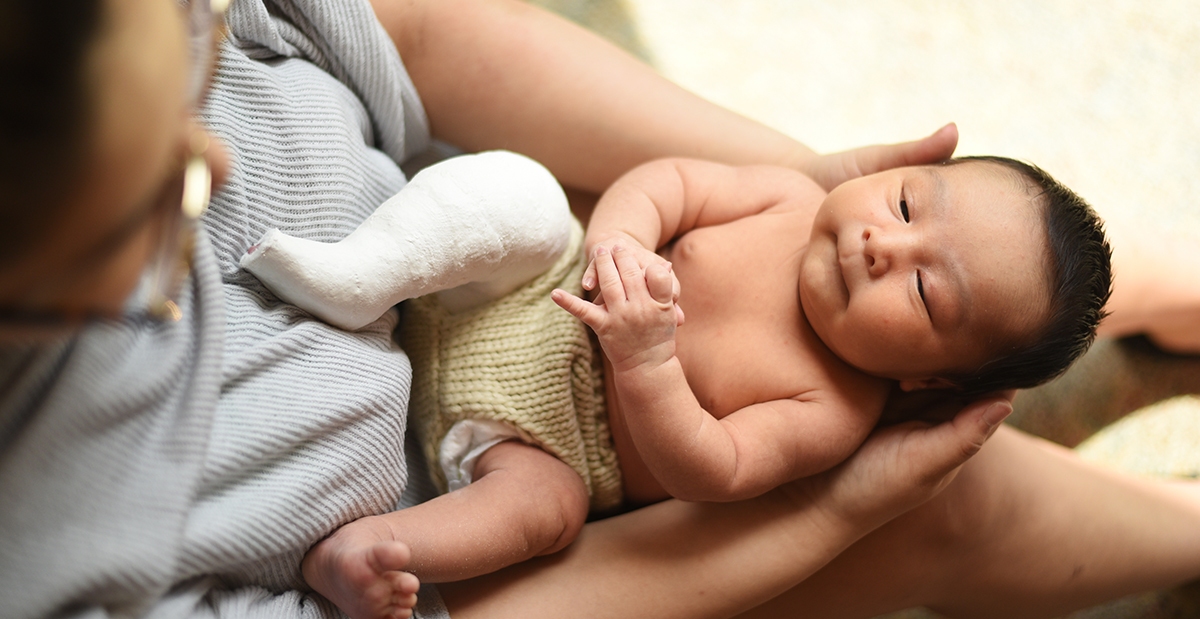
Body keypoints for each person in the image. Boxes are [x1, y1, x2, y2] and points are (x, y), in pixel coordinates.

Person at [0, 2, 1197, 619]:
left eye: (196, 65)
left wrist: (834, 195)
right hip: (495, 478)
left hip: (495, 242)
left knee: (915, 280)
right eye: (169, 199)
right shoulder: (65, 565)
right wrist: (835, 506)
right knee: (941, 485)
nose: (214, 146)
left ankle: (1052, 301)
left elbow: (415, 34)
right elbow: (717, 468)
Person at [258, 149, 1110, 618]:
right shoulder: (785, 195)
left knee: (545, 519)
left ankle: (378, 551)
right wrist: (620, 243)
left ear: (928, 376)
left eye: (926, 292)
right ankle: (362, 274)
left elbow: (716, 468)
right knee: (521, 193)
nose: (888, 247)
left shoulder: (835, 411)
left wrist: (650, 365)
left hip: (545, 443)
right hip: (539, 283)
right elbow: (666, 184)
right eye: (909, 205)